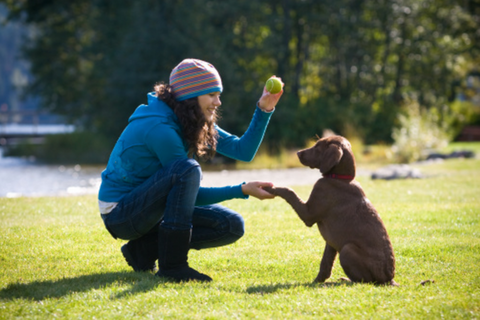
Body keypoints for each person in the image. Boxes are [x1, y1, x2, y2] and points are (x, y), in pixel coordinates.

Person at [98, 58, 283, 282]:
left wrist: (265, 108)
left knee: (231, 225)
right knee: (187, 169)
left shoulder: (191, 118)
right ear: (190, 97)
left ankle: (143, 251)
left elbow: (242, 151)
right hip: (121, 213)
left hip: (151, 209)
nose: (218, 102)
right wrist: (241, 189)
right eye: (212, 95)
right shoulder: (161, 128)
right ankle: (173, 266)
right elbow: (190, 192)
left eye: (218, 94)